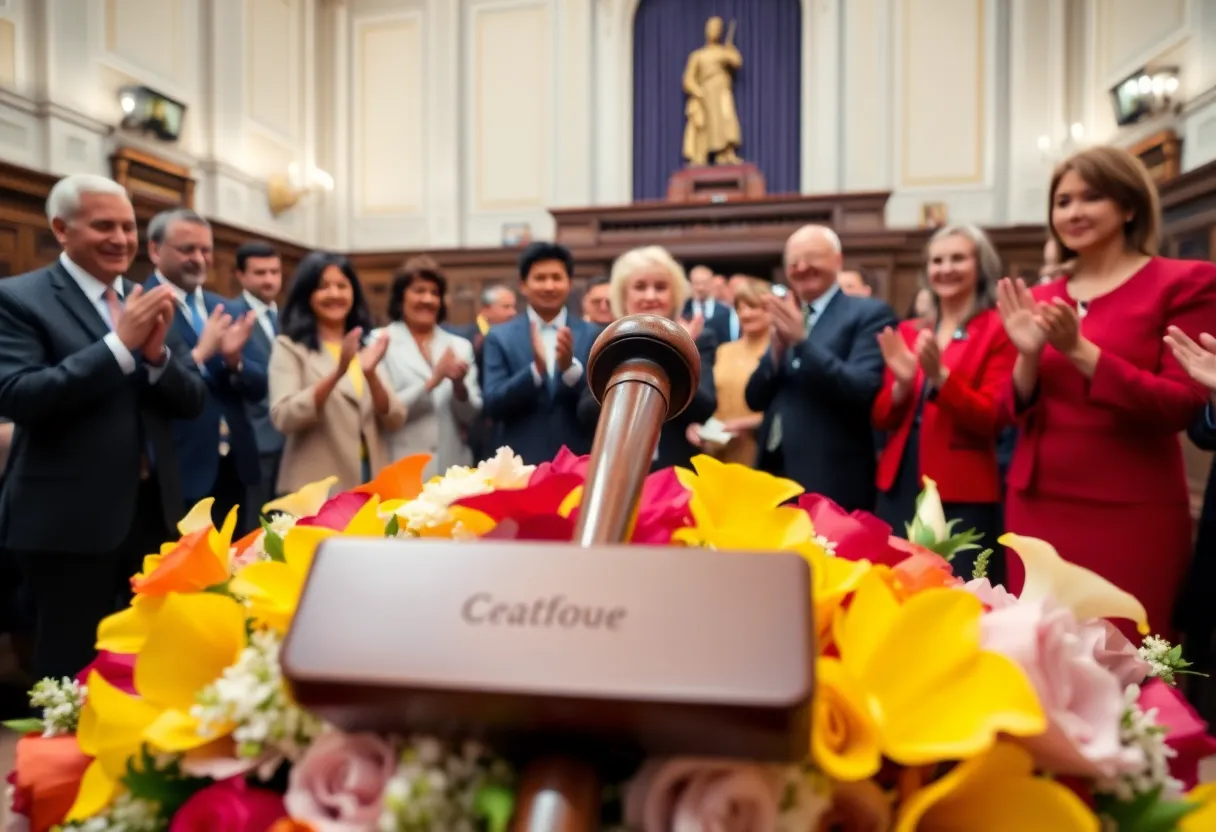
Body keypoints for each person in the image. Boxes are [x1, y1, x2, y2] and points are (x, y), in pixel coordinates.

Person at [997, 145, 1216, 640]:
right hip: (1038, 505)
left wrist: (1080, 351)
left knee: (1128, 661)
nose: (1073, 212)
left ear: (1130, 205)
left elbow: (1181, 405)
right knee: (1039, 656)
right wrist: (1028, 354)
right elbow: (1009, 409)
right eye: (1063, 201)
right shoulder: (1040, 297)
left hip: (1131, 509)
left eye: (1090, 197)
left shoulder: (1183, 282)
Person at [0, 174, 205, 679]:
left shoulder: (147, 296)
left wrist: (156, 357)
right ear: (61, 229)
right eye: (103, 226)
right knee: (70, 672)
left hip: (152, 514)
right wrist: (119, 346)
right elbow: (21, 395)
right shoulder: (20, 299)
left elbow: (192, 399)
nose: (120, 239)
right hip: (67, 523)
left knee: (149, 663)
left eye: (129, 227)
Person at [872, 224, 1015, 577]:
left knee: (958, 591)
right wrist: (904, 384)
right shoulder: (910, 330)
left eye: (958, 258)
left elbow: (992, 418)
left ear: (980, 266)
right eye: (937, 260)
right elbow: (882, 418)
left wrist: (940, 379)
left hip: (960, 489)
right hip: (900, 481)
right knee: (895, 585)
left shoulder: (998, 328)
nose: (945, 268)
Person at [745, 225, 898, 511]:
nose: (801, 267)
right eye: (793, 262)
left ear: (837, 261)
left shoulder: (868, 313)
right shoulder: (789, 313)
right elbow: (754, 398)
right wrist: (777, 353)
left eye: (812, 257)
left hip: (832, 475)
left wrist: (802, 342)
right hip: (774, 473)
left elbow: (862, 390)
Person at [145, 209, 265, 529]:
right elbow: (151, 384)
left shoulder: (226, 306)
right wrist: (200, 354)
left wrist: (233, 361)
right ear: (155, 251)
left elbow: (260, 385)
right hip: (177, 467)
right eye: (187, 249)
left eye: (206, 250)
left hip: (234, 463)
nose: (199, 258)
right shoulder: (140, 304)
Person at [269, 252, 406, 494]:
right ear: (307, 294)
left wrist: (371, 375)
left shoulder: (366, 344)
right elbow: (284, 417)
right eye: (323, 287)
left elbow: (395, 418)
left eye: (342, 286)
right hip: (316, 489)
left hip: (371, 480)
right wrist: (338, 372)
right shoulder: (289, 346)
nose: (334, 294)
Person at [579, 246, 717, 471]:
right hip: (616, 468)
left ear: (675, 294)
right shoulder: (604, 339)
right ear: (624, 294)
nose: (650, 296)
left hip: (676, 471)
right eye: (640, 287)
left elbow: (705, 406)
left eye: (661, 287)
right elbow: (587, 411)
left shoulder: (700, 336)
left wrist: (679, 352)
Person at [481, 242, 596, 464]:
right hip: (520, 462)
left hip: (578, 460)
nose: (549, 286)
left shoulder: (591, 334)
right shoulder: (499, 337)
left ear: (570, 283)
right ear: (523, 285)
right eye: (540, 278)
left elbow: (599, 404)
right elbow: (492, 404)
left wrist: (570, 370)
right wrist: (535, 371)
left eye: (556, 277)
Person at [380, 257, 481, 479]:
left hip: (453, 471)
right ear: (400, 297)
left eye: (435, 293)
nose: (428, 299)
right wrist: (433, 380)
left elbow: (471, 416)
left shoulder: (459, 346)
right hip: (400, 468)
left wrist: (459, 386)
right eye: (419, 291)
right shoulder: (380, 342)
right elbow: (385, 413)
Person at [224, 240, 285, 528]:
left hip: (293, 440)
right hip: (254, 439)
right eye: (260, 273)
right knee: (256, 525)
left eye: (275, 272)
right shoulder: (228, 316)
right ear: (240, 276)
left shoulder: (290, 319)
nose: (269, 279)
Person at [701, 277, 772, 466]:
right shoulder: (725, 350)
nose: (745, 314)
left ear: (769, 309)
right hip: (717, 449)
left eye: (752, 306)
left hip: (758, 449)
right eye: (740, 308)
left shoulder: (777, 352)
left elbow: (785, 408)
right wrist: (701, 427)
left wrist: (745, 424)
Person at [683, 265, 738, 343]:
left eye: (704, 283)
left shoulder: (725, 311)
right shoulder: (682, 310)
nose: (700, 288)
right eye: (696, 283)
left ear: (712, 283)